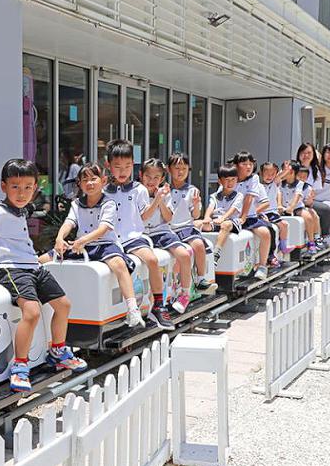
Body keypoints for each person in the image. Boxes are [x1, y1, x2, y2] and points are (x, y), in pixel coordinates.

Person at [0, 159, 87, 393]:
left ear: (36, 187)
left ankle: (58, 350)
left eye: (28, 187)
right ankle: (20, 366)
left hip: (32, 266)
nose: (22, 193)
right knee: (31, 311)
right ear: (4, 186)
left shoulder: (21, 211)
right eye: (15, 186)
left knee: (64, 305)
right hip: (11, 268)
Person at [39, 162, 145, 328]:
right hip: (81, 245)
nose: (89, 183)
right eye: (85, 179)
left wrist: (82, 241)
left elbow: (103, 229)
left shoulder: (108, 203)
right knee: (42, 260)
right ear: (79, 184)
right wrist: (60, 238)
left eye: (93, 178)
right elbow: (69, 222)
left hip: (104, 244)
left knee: (119, 264)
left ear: (103, 181)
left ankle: (132, 310)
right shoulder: (76, 204)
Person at [103, 140, 174, 327]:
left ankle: (159, 304)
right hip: (110, 240)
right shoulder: (103, 191)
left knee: (151, 260)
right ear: (108, 165)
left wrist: (157, 199)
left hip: (133, 238)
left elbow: (144, 216)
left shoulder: (139, 189)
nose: (123, 171)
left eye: (127, 166)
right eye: (117, 166)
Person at [140, 159, 217, 311]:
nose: (152, 181)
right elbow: (143, 217)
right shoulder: (137, 192)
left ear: (162, 178)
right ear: (141, 175)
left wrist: (160, 199)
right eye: (148, 176)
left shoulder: (170, 192)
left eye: (156, 178)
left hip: (162, 232)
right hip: (142, 234)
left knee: (185, 253)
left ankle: (185, 294)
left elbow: (169, 218)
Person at [166, 153, 214, 292]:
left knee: (198, 244)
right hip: (169, 229)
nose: (180, 171)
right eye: (177, 168)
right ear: (169, 169)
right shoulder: (164, 190)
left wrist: (196, 204)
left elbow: (196, 215)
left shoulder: (192, 190)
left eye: (184, 168)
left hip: (186, 227)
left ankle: (200, 278)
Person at [231, 151, 273, 279]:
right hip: (232, 217)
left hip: (250, 218)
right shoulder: (231, 177)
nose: (249, 166)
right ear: (237, 165)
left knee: (265, 233)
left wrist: (243, 217)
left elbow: (249, 198)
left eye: (250, 163)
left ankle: (262, 266)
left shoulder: (254, 178)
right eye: (244, 164)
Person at [198, 164, 244, 261]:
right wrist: (206, 218)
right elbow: (211, 207)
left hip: (231, 221)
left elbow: (233, 209)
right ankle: (201, 251)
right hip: (216, 221)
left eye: (233, 179)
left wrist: (223, 218)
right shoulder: (214, 196)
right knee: (196, 223)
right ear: (220, 181)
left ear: (237, 180)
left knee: (225, 225)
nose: (230, 182)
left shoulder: (239, 196)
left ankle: (216, 253)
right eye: (227, 180)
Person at [297, 142, 330, 247]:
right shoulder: (293, 167)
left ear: (313, 155)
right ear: (299, 154)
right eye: (303, 153)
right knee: (314, 214)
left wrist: (310, 200)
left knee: (326, 209)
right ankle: (314, 240)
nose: (306, 155)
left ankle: (326, 236)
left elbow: (314, 190)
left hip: (308, 200)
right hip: (293, 201)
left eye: (309, 153)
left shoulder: (315, 170)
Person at [280, 160, 319, 256]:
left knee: (308, 217)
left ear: (292, 172)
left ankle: (311, 242)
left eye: (285, 170)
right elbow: (278, 193)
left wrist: (291, 208)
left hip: (297, 207)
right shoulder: (280, 183)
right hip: (281, 208)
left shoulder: (300, 184)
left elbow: (297, 195)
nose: (282, 172)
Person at [259, 161, 294, 260]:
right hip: (263, 212)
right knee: (272, 229)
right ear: (261, 174)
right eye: (267, 174)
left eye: (272, 174)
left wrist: (286, 170)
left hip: (272, 212)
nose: (269, 176)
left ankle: (283, 245)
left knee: (284, 224)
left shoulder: (274, 183)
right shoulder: (258, 185)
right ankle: (271, 255)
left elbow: (281, 175)